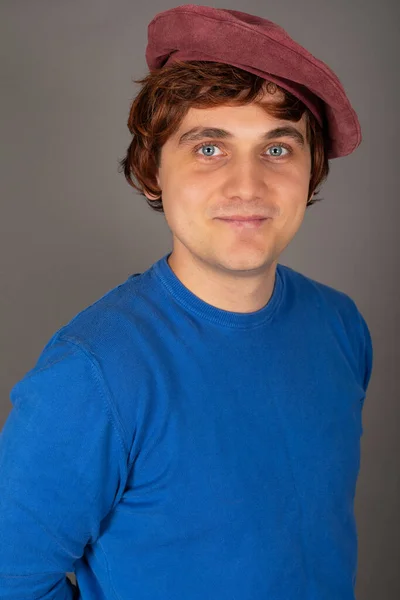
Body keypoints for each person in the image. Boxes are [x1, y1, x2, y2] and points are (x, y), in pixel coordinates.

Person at [0, 5, 373, 599]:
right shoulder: (91, 374)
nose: (247, 186)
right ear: (152, 170)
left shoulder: (341, 327)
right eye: (208, 148)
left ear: (312, 171)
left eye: (278, 149)